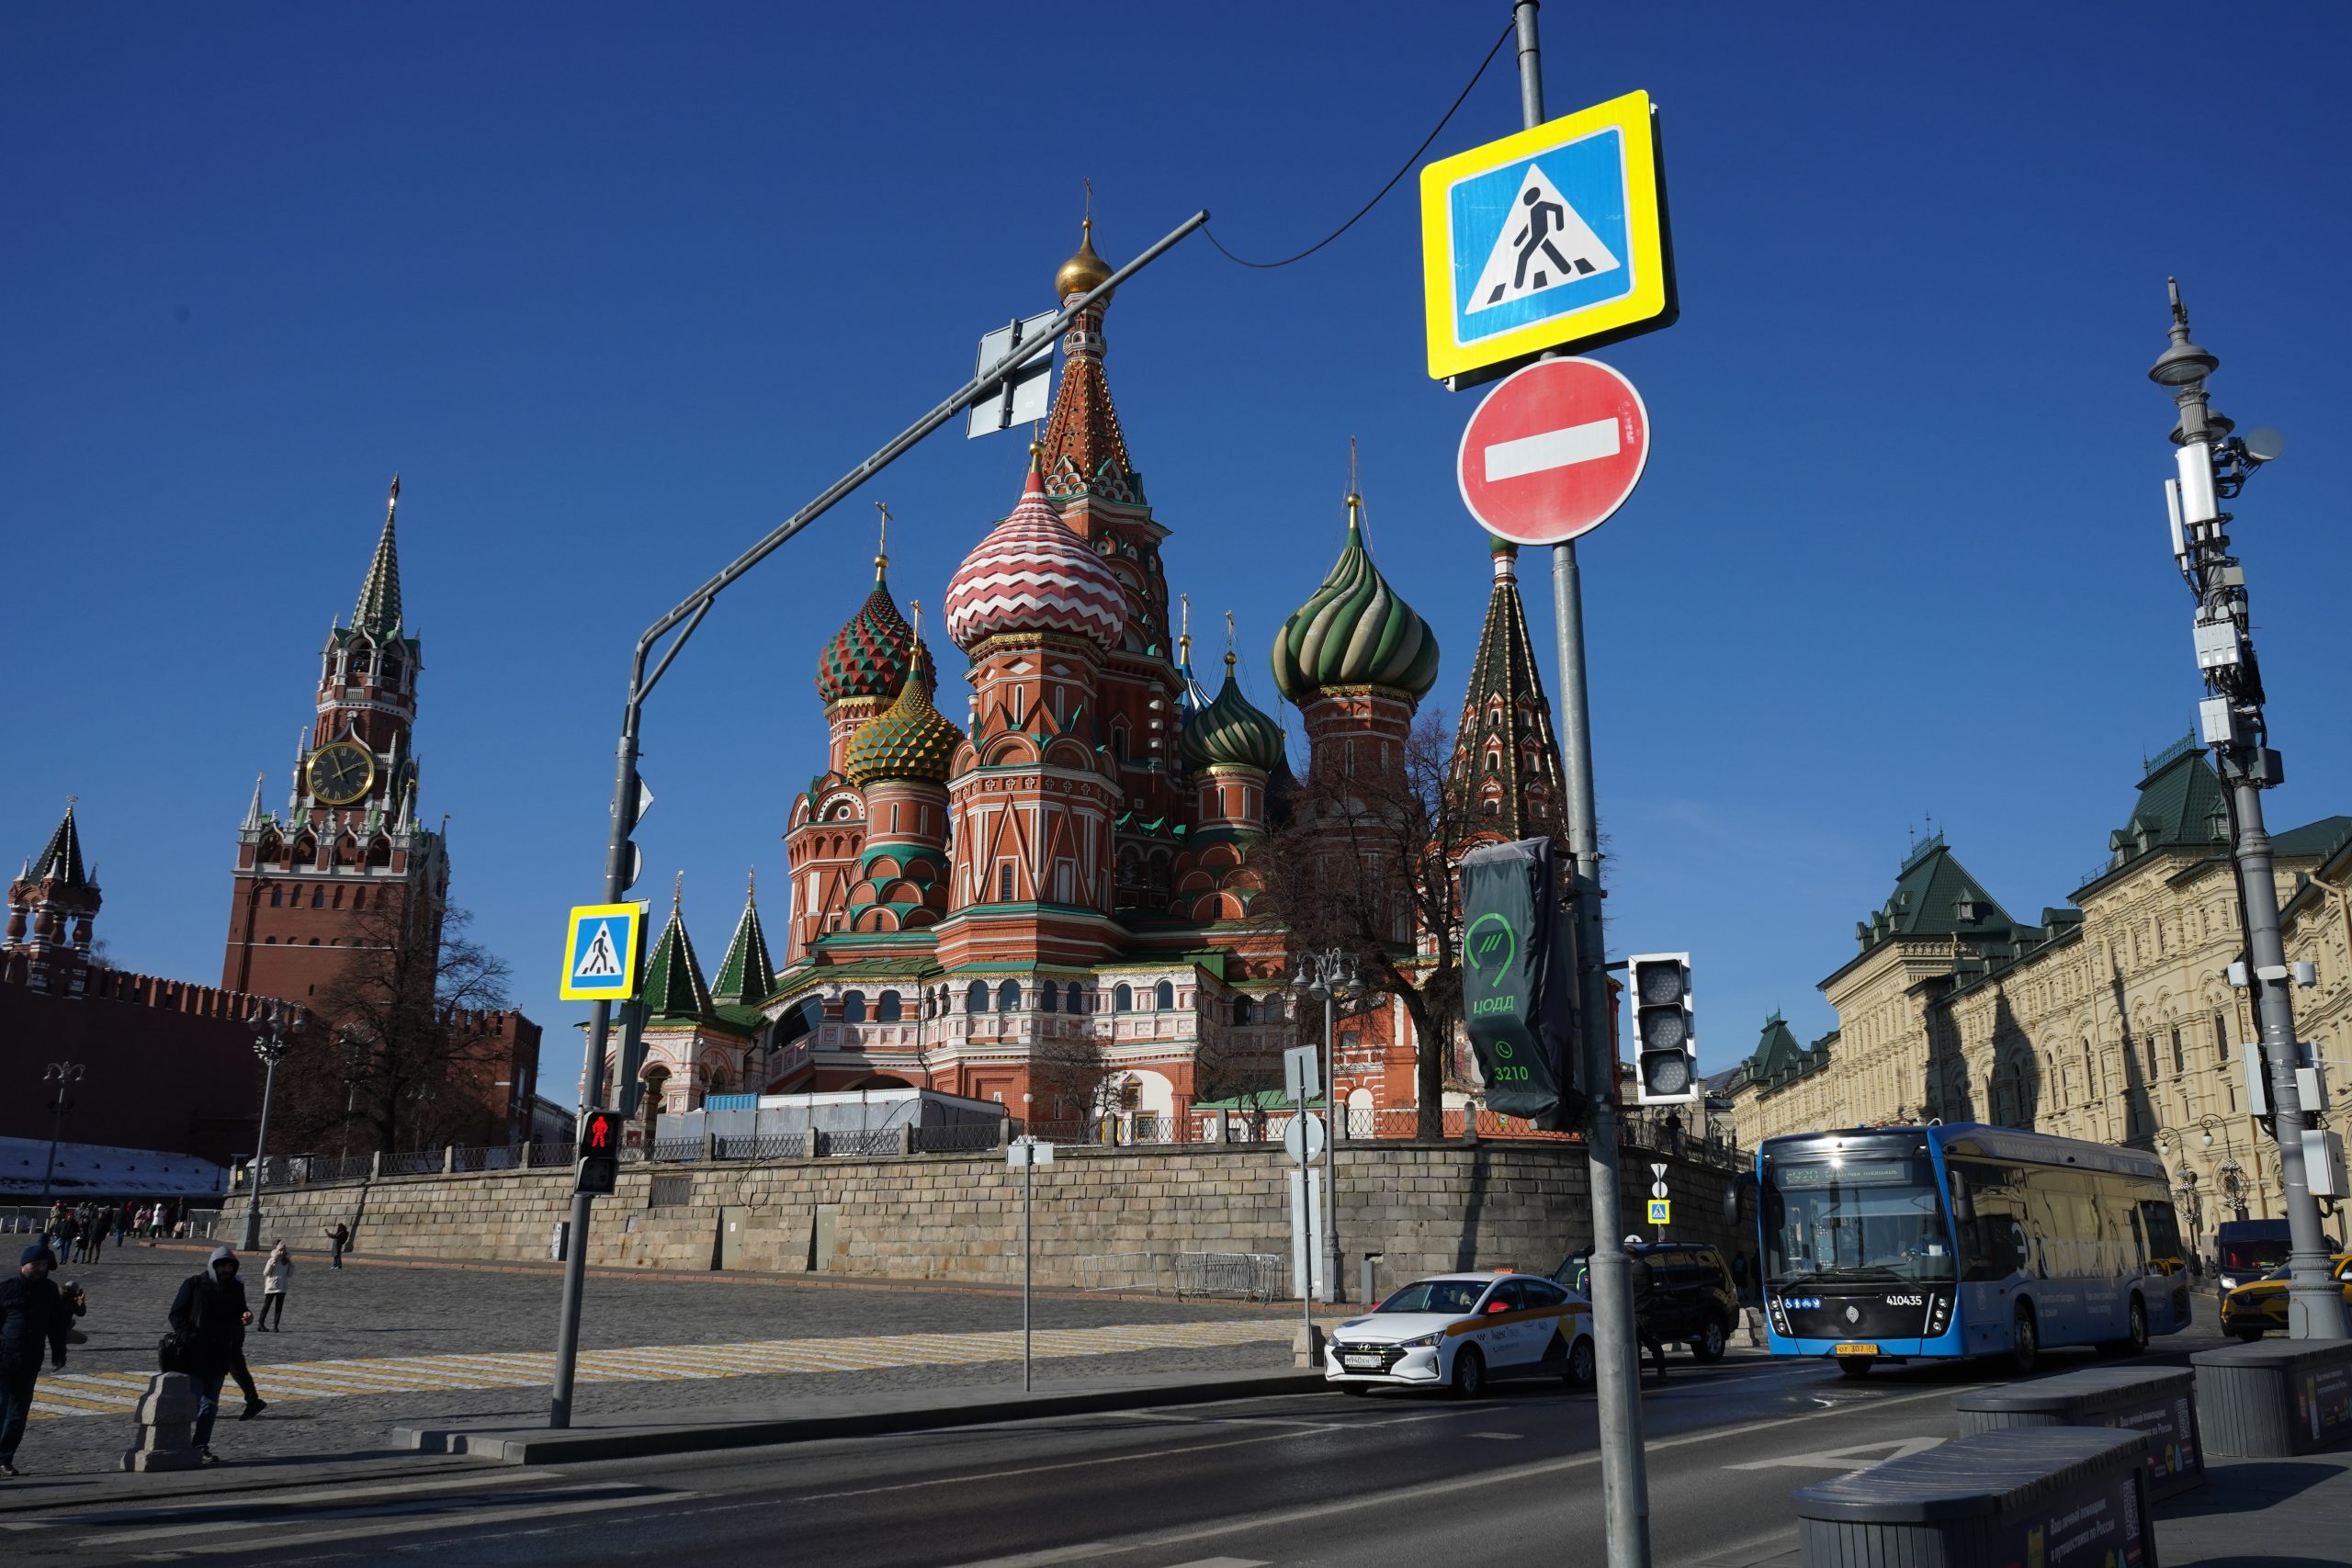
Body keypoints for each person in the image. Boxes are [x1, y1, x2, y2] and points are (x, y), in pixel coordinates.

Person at [167, 1247, 251, 1461]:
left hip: (219, 1355)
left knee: (210, 1405)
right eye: (222, 1265)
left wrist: (246, 1316)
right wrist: (190, 1337)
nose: (226, 1270)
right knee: (193, 1403)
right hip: (195, 1355)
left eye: (229, 1266)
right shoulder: (194, 1284)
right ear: (213, 1266)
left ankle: (200, 1445)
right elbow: (176, 1315)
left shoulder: (235, 1288)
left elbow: (240, 1311)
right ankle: (180, 1444)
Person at [0, 1246, 72, 1477]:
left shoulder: (50, 1291)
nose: (42, 1269)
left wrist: (59, 1352)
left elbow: (56, 1325)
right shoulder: (6, 1290)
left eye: (45, 1265)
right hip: (2, 1358)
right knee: (1, 1408)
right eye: (37, 1264)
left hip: (30, 1360)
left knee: (19, 1414)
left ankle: (5, 1459)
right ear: (24, 1264)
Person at [1627, 1236, 1669, 1383]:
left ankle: (1637, 1375)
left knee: (1636, 1347)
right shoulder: (1647, 1269)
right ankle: (1662, 1371)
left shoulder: (1630, 1273)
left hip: (1635, 1314)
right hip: (1648, 1313)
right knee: (1654, 1345)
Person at [257, 1243, 290, 1331]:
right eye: (280, 1250)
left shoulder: (286, 1262)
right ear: (277, 1250)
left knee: (279, 1307)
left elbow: (289, 1274)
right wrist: (272, 1264)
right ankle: (260, 1324)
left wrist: (291, 1265)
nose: (281, 1252)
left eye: (283, 1250)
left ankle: (275, 1325)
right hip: (271, 1285)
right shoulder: (271, 1260)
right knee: (266, 1305)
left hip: (282, 1286)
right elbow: (265, 1273)